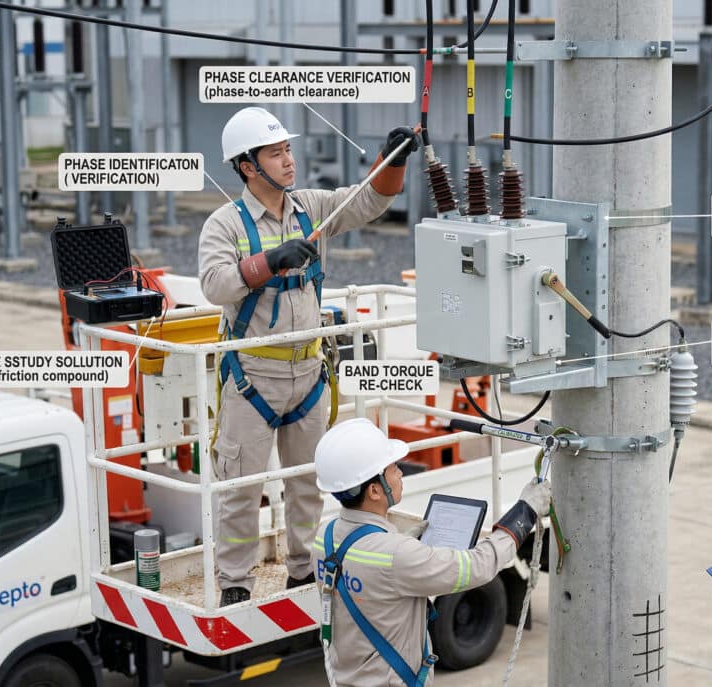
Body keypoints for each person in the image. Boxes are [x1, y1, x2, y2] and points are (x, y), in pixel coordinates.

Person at [199, 107, 419, 605]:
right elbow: (215, 285)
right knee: (240, 490)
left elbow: (362, 204)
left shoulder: (309, 208)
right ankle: (236, 581)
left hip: (308, 374)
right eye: (275, 154)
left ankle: (302, 571)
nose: (288, 160)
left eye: (288, 150)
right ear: (247, 166)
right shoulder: (225, 224)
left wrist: (393, 160)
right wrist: (269, 263)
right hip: (252, 375)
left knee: (306, 486)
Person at [312, 418, 552, 687]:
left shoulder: (325, 536)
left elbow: (365, 572)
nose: (401, 473)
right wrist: (526, 511)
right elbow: (477, 566)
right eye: (393, 468)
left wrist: (402, 542)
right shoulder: (397, 556)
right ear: (375, 490)